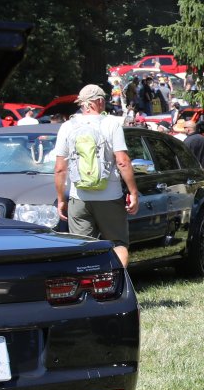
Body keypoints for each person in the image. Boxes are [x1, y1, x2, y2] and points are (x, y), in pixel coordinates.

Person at [54, 84, 141, 266]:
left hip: (79, 197)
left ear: (82, 103)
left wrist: (61, 199)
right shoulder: (111, 124)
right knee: (118, 244)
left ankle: (87, 282)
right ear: (100, 101)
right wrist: (133, 192)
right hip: (110, 196)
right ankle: (116, 281)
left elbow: (60, 168)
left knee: (82, 248)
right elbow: (123, 161)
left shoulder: (67, 126)